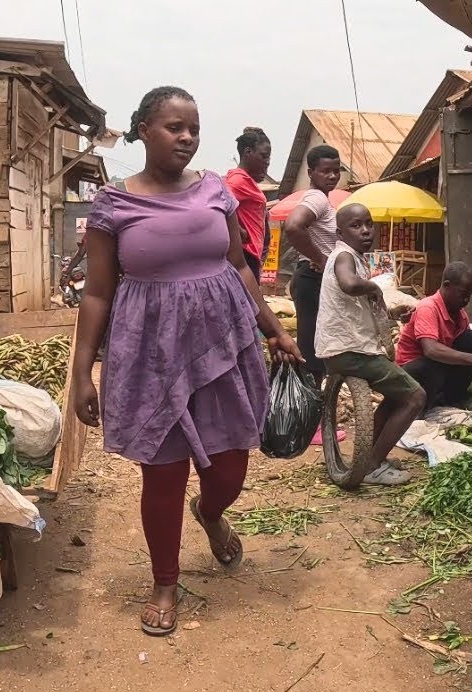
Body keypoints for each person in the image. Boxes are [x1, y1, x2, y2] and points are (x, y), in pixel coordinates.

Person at [71, 86, 302, 637]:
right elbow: (97, 292)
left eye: (194, 129)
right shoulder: (114, 204)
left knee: (230, 468)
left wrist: (274, 330)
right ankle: (165, 582)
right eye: (175, 127)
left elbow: (239, 266)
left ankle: (212, 512)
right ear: (144, 131)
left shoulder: (216, 190)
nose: (187, 138)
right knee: (164, 473)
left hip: (225, 345)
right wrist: (82, 372)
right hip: (149, 354)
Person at [317, 205, 425, 485]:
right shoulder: (343, 256)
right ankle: (373, 465)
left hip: (343, 349)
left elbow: (355, 304)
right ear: (340, 233)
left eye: (368, 224)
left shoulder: (352, 257)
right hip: (352, 351)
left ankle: (369, 457)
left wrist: (392, 312)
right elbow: (349, 284)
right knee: (415, 397)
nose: (365, 231)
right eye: (356, 226)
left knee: (397, 396)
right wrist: (374, 287)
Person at [283, 144, 345, 445]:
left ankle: (310, 422)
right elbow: (293, 227)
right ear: (311, 172)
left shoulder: (323, 199)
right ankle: (310, 427)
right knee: (312, 353)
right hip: (312, 280)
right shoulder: (316, 199)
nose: (332, 176)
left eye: (336, 170)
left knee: (316, 350)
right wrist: (321, 258)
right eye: (325, 171)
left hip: (314, 281)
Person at [396, 262, 472, 411]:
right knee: (429, 365)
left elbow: (469, 346)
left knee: (471, 339)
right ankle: (422, 406)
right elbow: (431, 350)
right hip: (413, 374)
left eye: (469, 295)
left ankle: (451, 400)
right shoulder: (428, 308)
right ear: (447, 285)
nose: (467, 300)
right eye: (463, 294)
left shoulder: (459, 313)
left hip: (436, 370)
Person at [225, 127, 271, 277]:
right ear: (248, 152)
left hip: (252, 256)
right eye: (264, 156)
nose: (267, 162)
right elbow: (215, 205)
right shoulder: (238, 180)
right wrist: (238, 230)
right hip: (244, 255)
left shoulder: (247, 181)